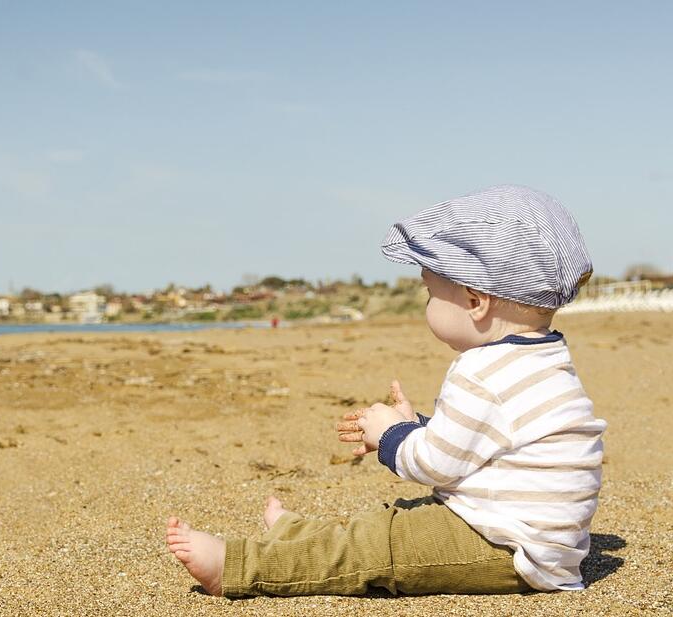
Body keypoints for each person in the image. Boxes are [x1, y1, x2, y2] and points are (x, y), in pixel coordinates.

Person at [166, 185, 606, 597]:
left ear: (475, 301)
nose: (427, 304)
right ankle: (298, 535)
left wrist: (391, 437)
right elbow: (485, 444)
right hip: (539, 543)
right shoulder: (545, 359)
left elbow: (435, 465)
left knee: (379, 546)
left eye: (432, 294)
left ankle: (238, 567)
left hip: (506, 548)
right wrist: (418, 426)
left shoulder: (480, 370)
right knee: (394, 520)